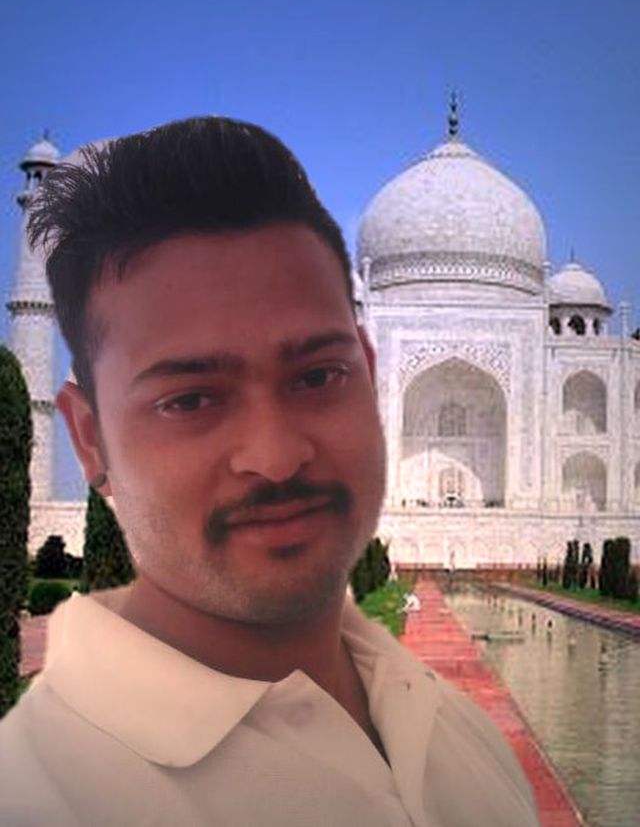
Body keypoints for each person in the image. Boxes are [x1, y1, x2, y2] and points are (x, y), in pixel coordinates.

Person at [0, 116, 539, 826]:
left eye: (315, 378)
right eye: (192, 398)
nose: (271, 453)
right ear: (91, 436)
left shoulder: (462, 744)